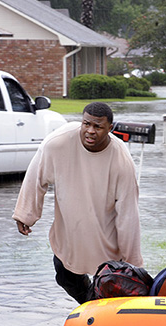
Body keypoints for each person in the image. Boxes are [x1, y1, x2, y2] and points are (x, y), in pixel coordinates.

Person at [13, 102, 142, 304]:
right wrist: (25, 214)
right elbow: (36, 176)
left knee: (109, 283)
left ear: (110, 128)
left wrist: (133, 264)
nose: (90, 131)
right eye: (86, 124)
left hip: (105, 235)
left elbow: (128, 215)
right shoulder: (58, 142)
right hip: (69, 231)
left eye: (98, 127)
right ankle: (89, 305)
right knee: (65, 275)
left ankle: (99, 314)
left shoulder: (122, 161)